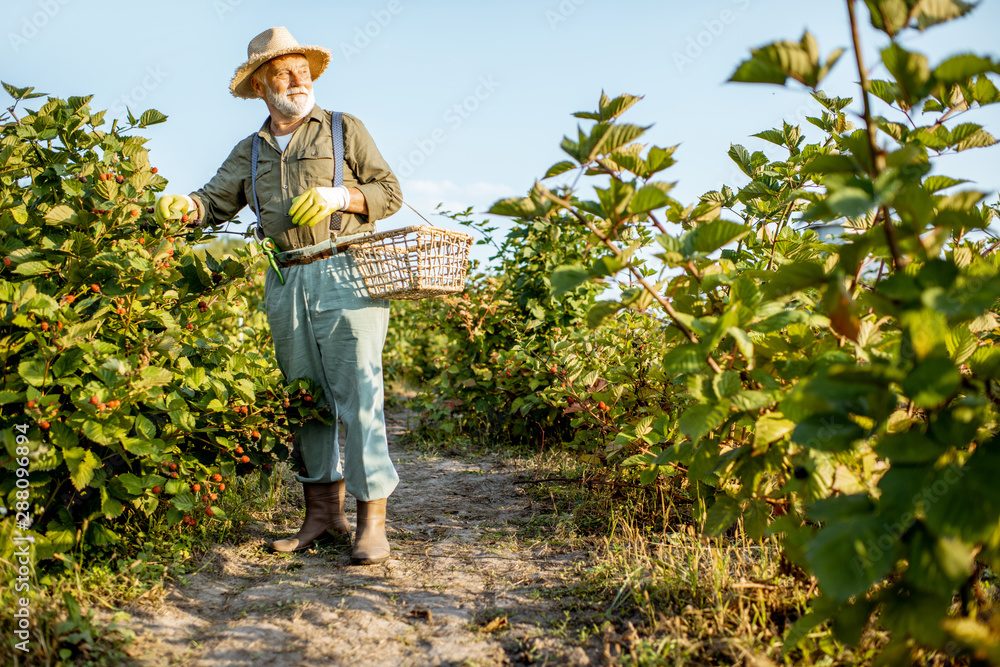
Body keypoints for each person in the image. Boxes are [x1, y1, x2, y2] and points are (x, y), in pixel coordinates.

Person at [155, 27, 402, 565]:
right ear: (261, 86)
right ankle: (322, 516)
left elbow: (390, 192)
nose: (298, 81)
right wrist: (181, 207)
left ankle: (371, 522)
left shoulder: (343, 130)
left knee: (360, 394)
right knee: (305, 398)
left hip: (347, 270)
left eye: (303, 71)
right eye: (284, 74)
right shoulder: (250, 151)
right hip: (285, 278)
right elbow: (211, 203)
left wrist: (342, 194)